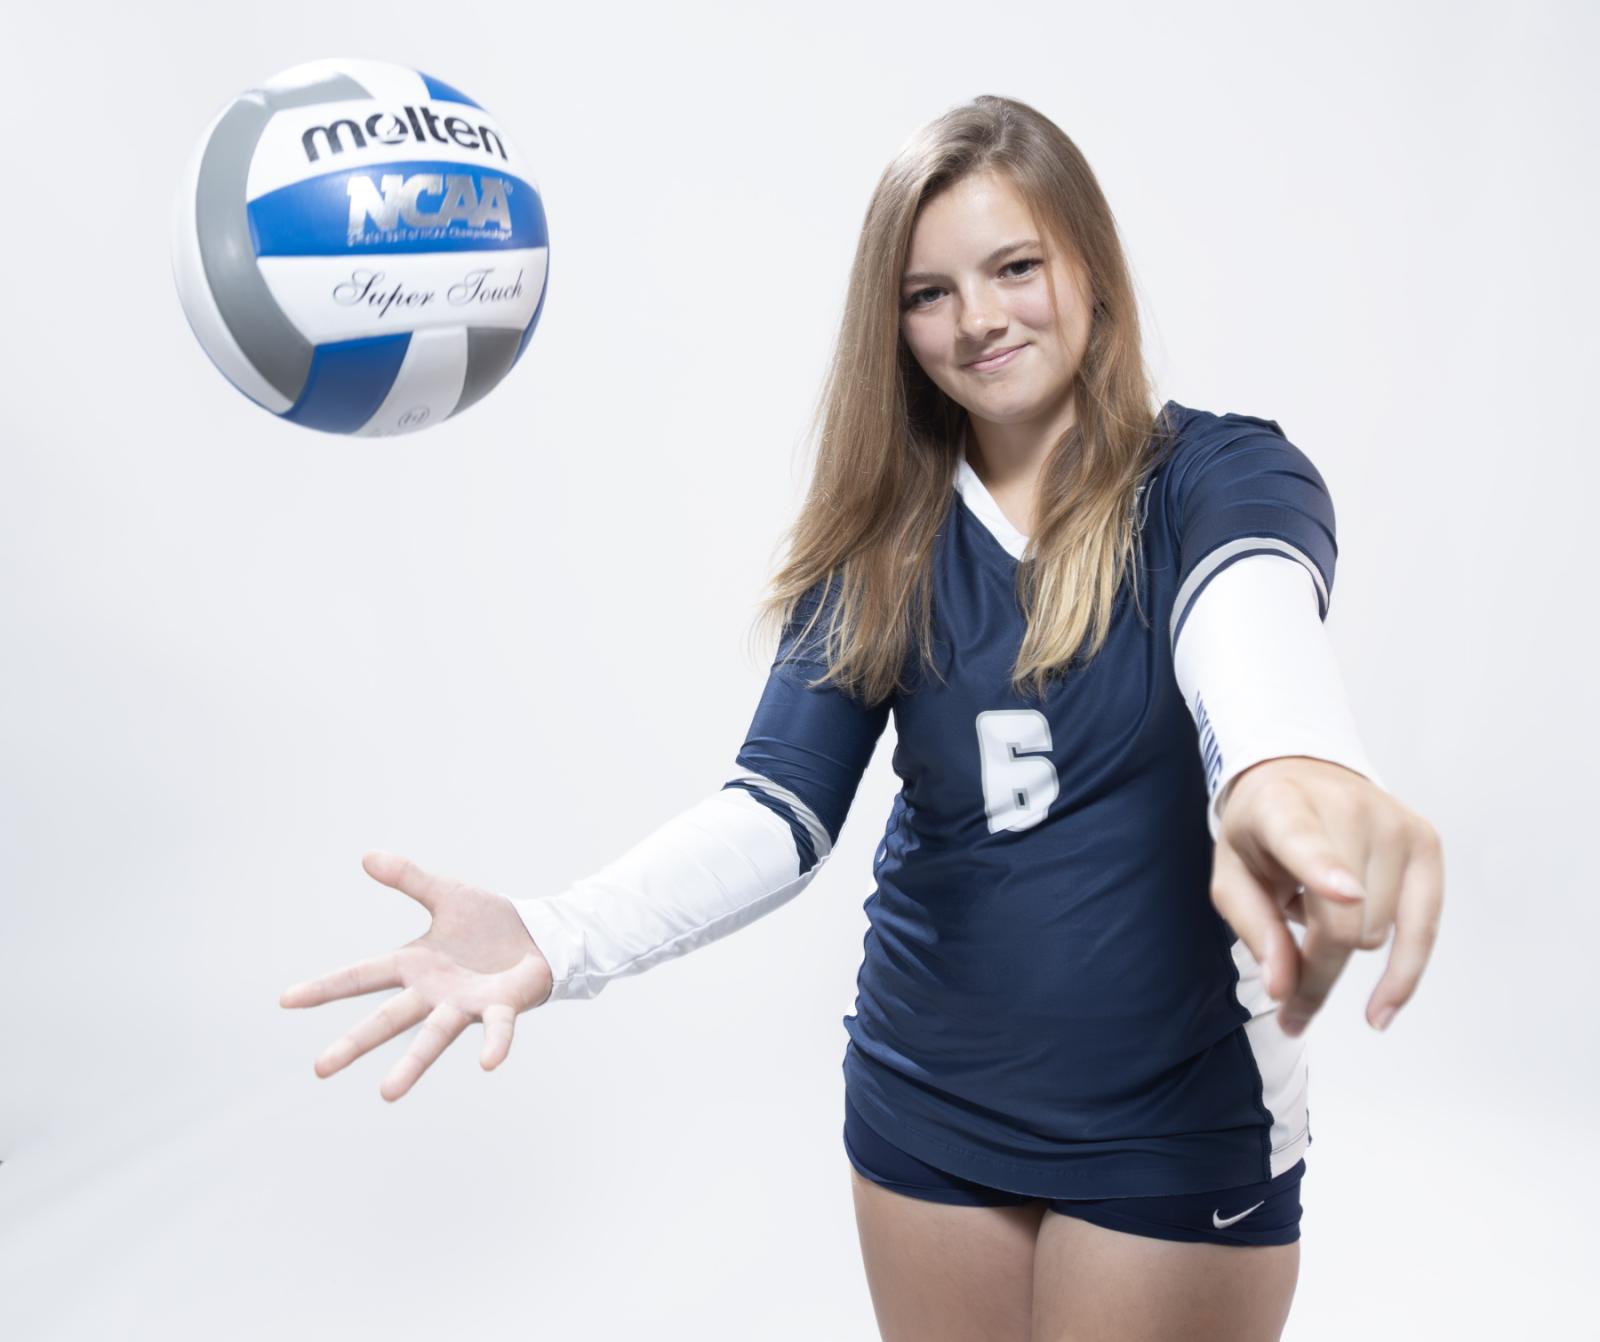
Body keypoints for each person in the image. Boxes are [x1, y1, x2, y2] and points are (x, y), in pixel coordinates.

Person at [280, 95, 1444, 1342]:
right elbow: (777, 810)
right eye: (927, 293)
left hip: (1172, 1114)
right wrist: (558, 936)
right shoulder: (884, 539)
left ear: (1090, 270)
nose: (978, 319)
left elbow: (1250, 632)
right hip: (924, 1103)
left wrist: (1287, 769)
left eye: (1013, 268)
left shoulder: (1218, 477)